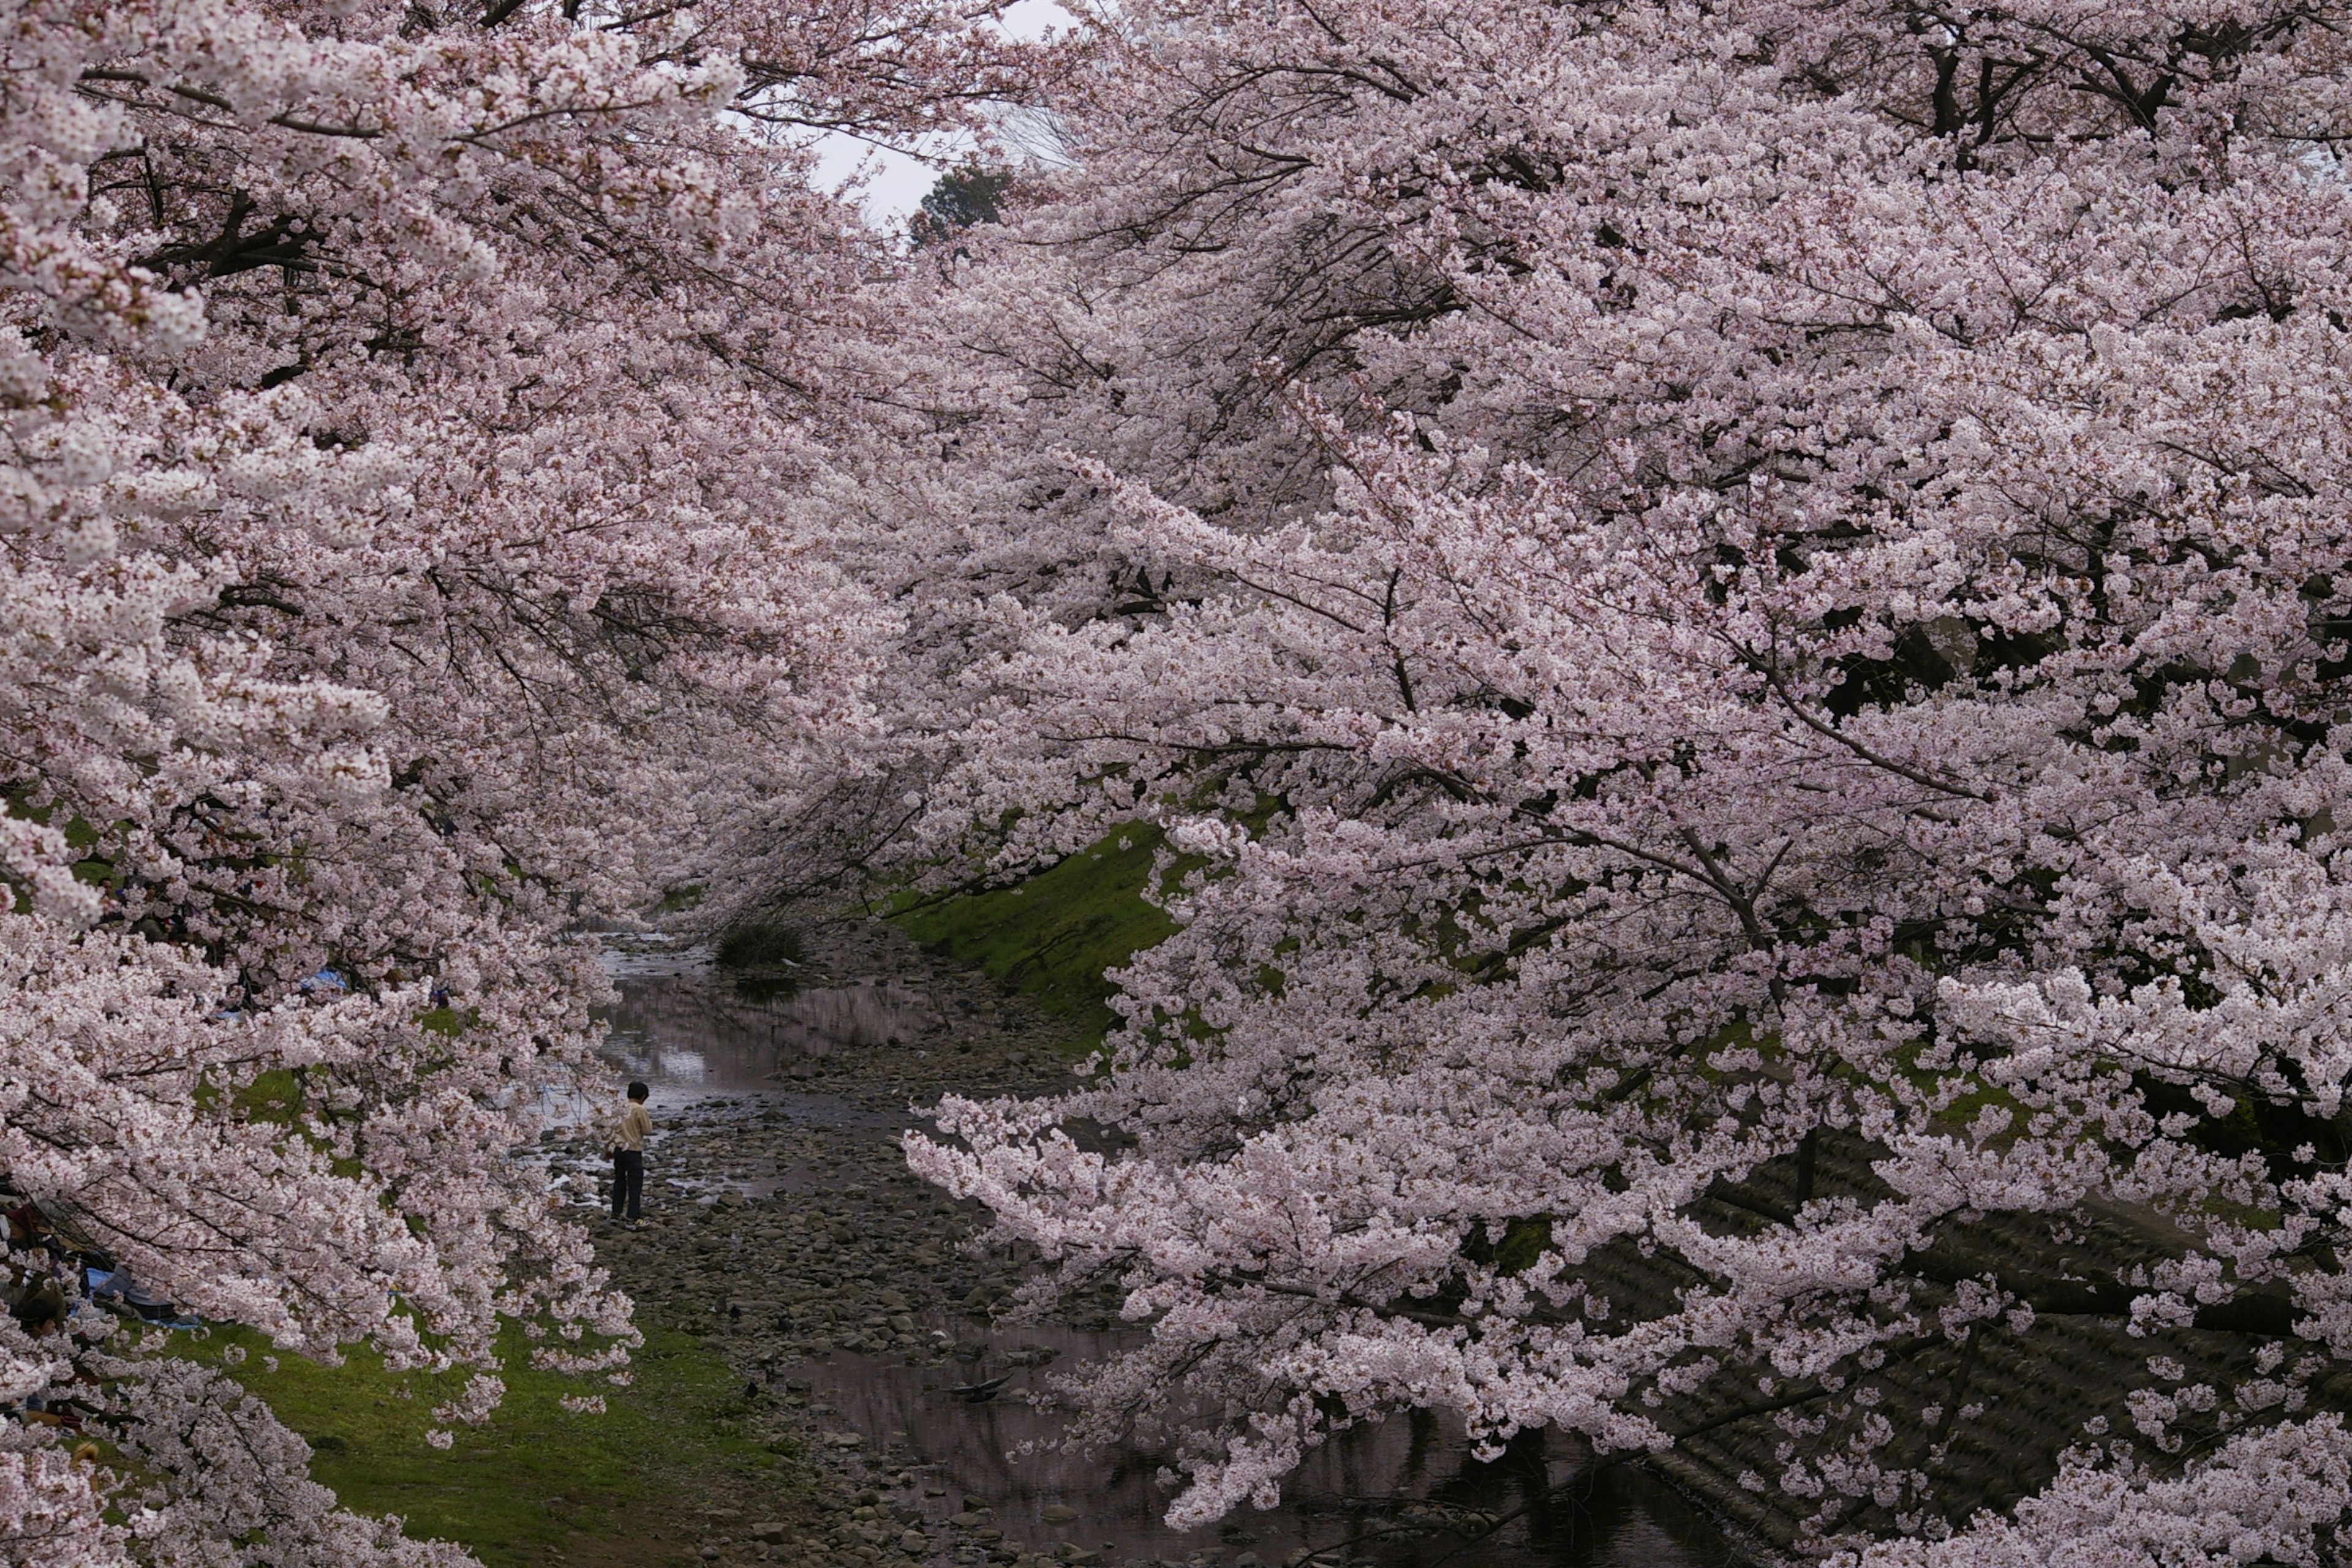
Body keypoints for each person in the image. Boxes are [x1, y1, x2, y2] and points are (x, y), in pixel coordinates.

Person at [610, 1082, 653, 1222]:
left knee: (619, 1181)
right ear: (642, 1097)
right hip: (633, 1150)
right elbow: (647, 1131)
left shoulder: (619, 1107)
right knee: (635, 1183)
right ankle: (633, 1217)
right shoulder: (640, 1109)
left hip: (618, 1148)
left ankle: (615, 1214)